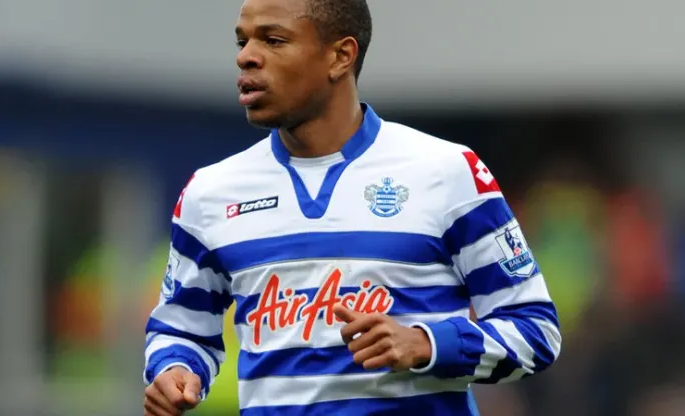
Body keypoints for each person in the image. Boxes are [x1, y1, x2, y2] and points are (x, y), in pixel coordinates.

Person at [142, 0, 562, 414]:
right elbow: (180, 330)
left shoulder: (447, 171)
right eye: (242, 42)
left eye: (273, 40)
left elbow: (536, 330)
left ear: (341, 56)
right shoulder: (210, 192)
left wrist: (427, 344)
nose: (247, 57)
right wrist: (174, 369)